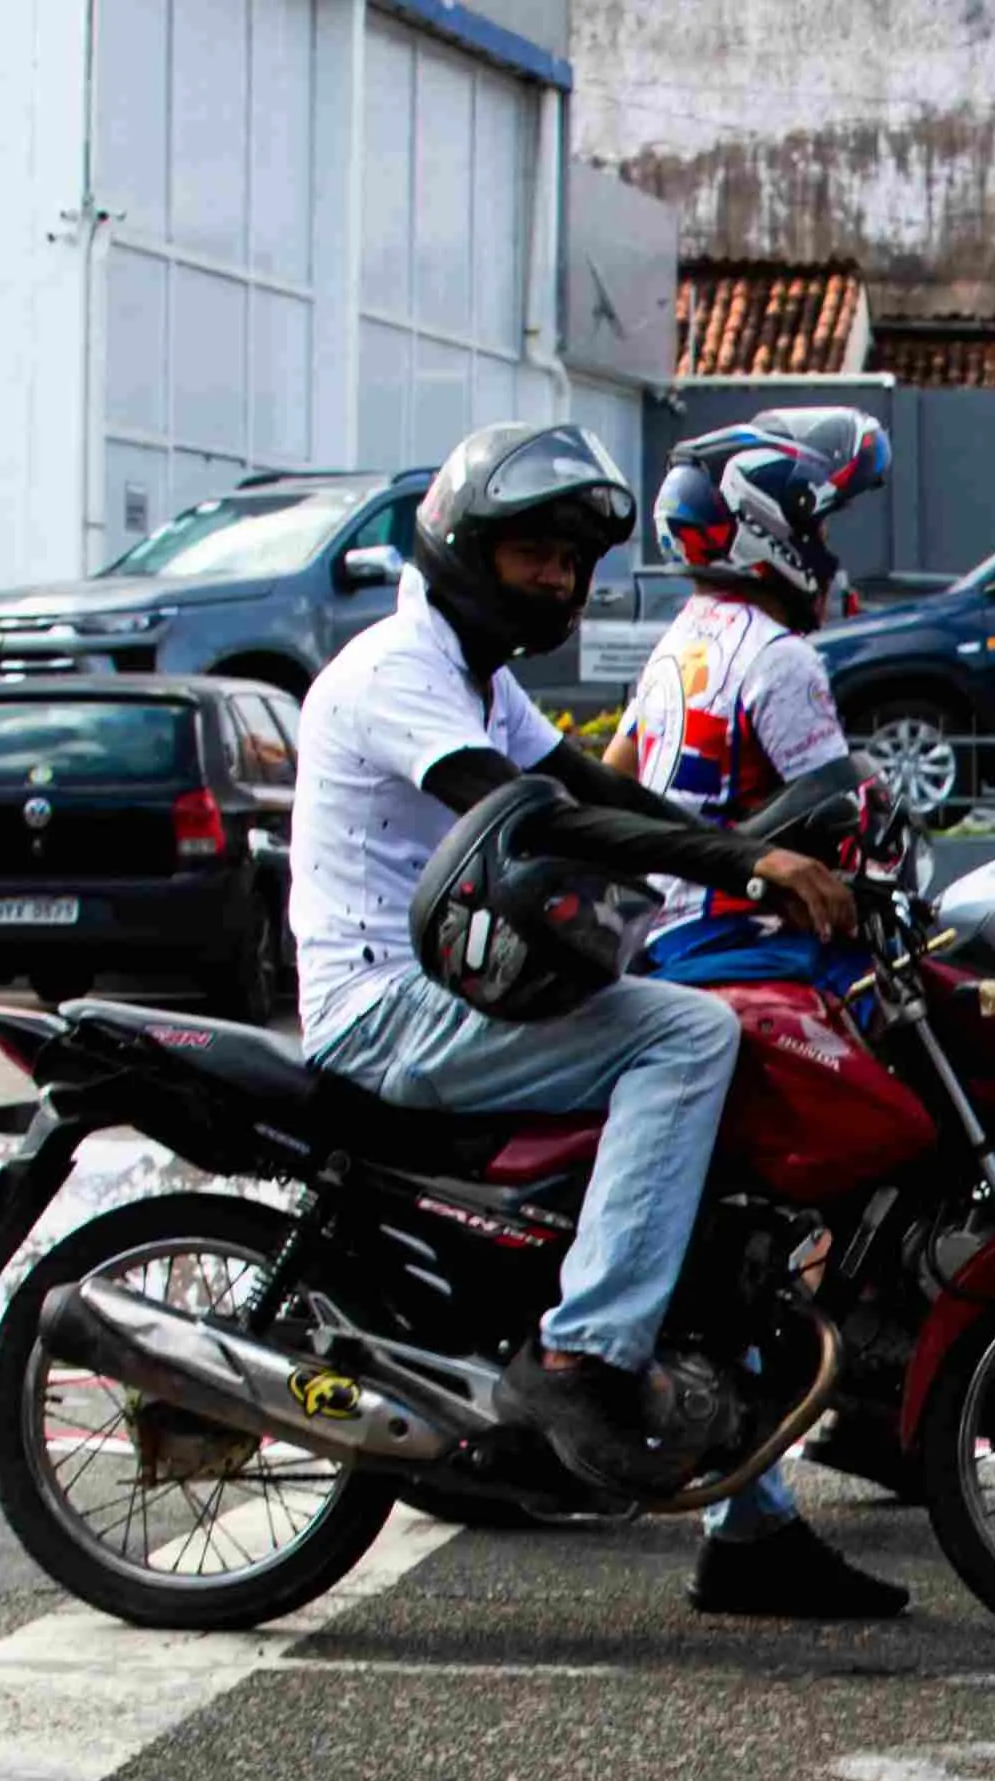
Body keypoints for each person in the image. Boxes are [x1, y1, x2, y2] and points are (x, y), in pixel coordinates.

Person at [291, 418, 857, 1499]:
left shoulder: (476, 678)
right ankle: (586, 1352)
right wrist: (752, 871)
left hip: (446, 984)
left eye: (572, 562)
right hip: (387, 1007)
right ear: (464, 546)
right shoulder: (399, 674)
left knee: (670, 1012)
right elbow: (529, 816)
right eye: (533, 555)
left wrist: (746, 853)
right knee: (690, 1034)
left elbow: (592, 787)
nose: (557, 580)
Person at [599, 409, 911, 1621]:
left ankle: (760, 1502)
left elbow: (619, 771)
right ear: (774, 528)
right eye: (821, 521)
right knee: (852, 1171)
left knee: (754, 1226)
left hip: (680, 946)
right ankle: (828, 1419)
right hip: (752, 954)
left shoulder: (681, 642)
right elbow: (837, 814)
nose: (831, 547)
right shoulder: (777, 661)